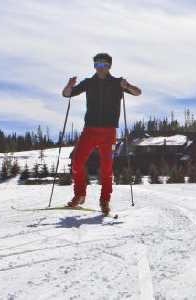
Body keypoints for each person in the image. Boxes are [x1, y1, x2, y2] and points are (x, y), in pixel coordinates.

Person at [61, 53, 141, 216]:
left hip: (109, 131)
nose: (99, 66)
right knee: (76, 161)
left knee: (106, 167)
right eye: (97, 63)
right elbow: (66, 94)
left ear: (109, 66)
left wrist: (127, 85)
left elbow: (138, 92)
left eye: (103, 64)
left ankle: (105, 200)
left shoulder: (118, 83)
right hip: (89, 129)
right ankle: (80, 194)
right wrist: (69, 86)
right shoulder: (88, 83)